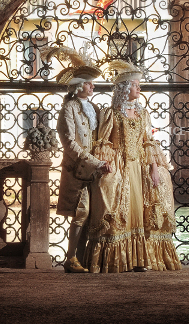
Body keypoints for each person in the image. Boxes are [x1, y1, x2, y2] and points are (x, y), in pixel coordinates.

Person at [83, 59, 182, 273]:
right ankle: (120, 259)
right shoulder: (112, 114)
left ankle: (143, 258)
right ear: (126, 88)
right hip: (121, 166)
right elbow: (104, 142)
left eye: (139, 85)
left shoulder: (143, 113)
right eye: (136, 85)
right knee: (118, 204)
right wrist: (108, 165)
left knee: (150, 200)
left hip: (140, 167)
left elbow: (149, 142)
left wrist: (155, 167)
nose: (139, 88)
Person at [52, 50, 112, 273]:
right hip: (78, 169)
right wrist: (95, 162)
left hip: (95, 170)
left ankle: (83, 257)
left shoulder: (94, 108)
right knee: (81, 212)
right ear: (78, 86)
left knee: (92, 213)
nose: (93, 87)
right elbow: (70, 144)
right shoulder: (68, 108)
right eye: (89, 84)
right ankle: (70, 258)